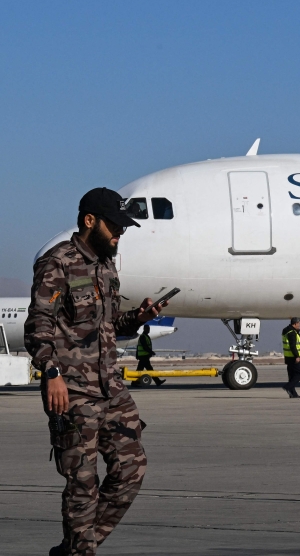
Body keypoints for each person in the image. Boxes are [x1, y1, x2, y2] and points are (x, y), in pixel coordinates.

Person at [24, 187, 165, 556]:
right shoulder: (57, 263)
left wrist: (139, 318)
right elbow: (38, 324)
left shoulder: (105, 264)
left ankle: (75, 549)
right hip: (71, 390)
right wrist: (50, 372)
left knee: (131, 471)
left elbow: (107, 324)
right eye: (114, 225)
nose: (120, 233)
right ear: (90, 221)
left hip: (110, 387)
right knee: (82, 484)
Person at [281, 317, 300, 398]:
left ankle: (293, 394)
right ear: (295, 324)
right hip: (294, 357)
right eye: (299, 324)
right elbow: (293, 346)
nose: (299, 325)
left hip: (288, 357)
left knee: (292, 376)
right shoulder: (292, 333)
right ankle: (287, 387)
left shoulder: (287, 331)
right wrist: (297, 356)